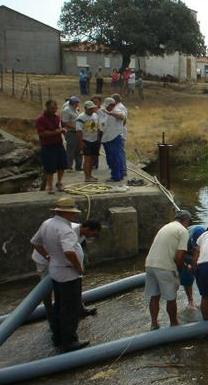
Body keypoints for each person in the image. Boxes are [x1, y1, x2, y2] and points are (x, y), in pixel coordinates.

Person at [30, 197, 89, 353]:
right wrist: (78, 268)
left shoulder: (47, 224)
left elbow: (35, 242)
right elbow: (69, 251)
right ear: (66, 213)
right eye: (72, 213)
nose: (74, 216)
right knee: (70, 308)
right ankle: (69, 341)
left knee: (59, 306)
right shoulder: (65, 230)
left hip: (55, 270)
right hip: (68, 273)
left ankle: (57, 337)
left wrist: (49, 256)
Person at [32, 220, 102, 326]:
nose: (92, 237)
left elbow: (73, 250)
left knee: (75, 283)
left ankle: (79, 309)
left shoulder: (81, 233)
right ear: (87, 229)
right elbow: (67, 252)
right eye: (93, 234)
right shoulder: (69, 231)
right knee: (47, 289)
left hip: (61, 261)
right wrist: (77, 267)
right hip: (44, 260)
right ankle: (52, 317)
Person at [144, 210, 192, 330]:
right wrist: (182, 269)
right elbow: (179, 256)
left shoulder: (165, 227)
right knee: (171, 298)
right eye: (188, 222)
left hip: (150, 264)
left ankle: (154, 324)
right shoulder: (183, 231)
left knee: (154, 296)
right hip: (165, 267)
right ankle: (174, 324)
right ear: (185, 221)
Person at [36, 100, 67, 194]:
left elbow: (60, 127)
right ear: (47, 107)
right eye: (52, 108)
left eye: (55, 108)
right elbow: (42, 133)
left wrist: (62, 130)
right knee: (49, 167)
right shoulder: (40, 119)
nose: (54, 110)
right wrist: (56, 132)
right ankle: (49, 186)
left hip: (58, 144)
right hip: (48, 146)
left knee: (62, 164)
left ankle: (59, 182)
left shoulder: (57, 117)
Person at [179, 224, 207, 308]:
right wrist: (188, 265)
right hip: (186, 252)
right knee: (187, 276)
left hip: (199, 250)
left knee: (206, 273)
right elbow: (179, 255)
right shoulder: (188, 237)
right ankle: (190, 300)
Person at [100, 97, 125, 182]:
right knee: (111, 158)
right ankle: (118, 174)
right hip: (107, 138)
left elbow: (122, 117)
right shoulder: (104, 112)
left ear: (112, 105)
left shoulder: (117, 110)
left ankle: (116, 176)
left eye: (108, 106)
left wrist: (110, 113)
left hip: (115, 137)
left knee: (115, 158)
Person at [75, 100, 100, 182]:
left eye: (92, 108)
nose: (91, 110)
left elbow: (98, 127)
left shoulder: (95, 115)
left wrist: (98, 139)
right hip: (86, 140)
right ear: (85, 109)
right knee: (87, 159)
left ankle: (90, 175)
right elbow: (78, 131)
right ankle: (87, 176)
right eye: (89, 109)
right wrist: (81, 142)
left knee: (92, 159)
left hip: (95, 140)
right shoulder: (81, 118)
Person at [61, 96, 82, 172]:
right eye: (77, 103)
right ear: (74, 103)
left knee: (78, 149)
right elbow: (65, 122)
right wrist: (75, 127)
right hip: (71, 132)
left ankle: (78, 166)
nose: (78, 104)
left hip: (77, 132)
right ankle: (69, 166)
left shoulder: (75, 109)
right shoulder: (67, 110)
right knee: (71, 150)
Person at [110, 93, 128, 176]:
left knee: (120, 152)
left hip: (119, 132)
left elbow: (123, 119)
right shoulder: (120, 106)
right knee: (120, 151)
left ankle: (123, 170)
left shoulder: (119, 107)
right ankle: (122, 169)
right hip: (120, 131)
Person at [90, 96, 104, 169]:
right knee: (92, 147)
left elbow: (102, 122)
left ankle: (95, 164)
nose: (95, 104)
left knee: (96, 148)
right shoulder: (90, 111)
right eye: (93, 102)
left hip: (100, 131)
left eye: (96, 102)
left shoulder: (102, 111)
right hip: (91, 131)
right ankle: (93, 163)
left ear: (100, 102)